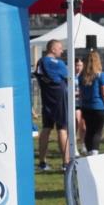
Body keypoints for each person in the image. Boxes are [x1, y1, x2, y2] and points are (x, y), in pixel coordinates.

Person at [35, 40, 70, 171]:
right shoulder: (59, 63)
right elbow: (67, 77)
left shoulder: (41, 61)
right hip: (59, 97)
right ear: (53, 49)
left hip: (47, 97)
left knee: (46, 128)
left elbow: (38, 76)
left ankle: (42, 162)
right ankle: (66, 163)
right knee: (62, 129)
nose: (62, 50)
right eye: (60, 48)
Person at [79, 51, 104, 156]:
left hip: (86, 107)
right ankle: (94, 152)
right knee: (97, 131)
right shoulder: (101, 75)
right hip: (98, 106)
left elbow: (81, 93)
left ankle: (89, 151)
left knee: (89, 130)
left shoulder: (82, 76)